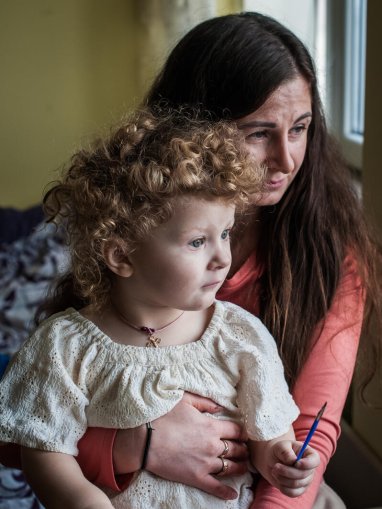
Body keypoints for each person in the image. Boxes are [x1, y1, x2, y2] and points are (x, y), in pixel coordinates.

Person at [0, 10, 380, 509]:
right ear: (191, 134)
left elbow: (306, 432)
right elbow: (28, 435)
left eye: (301, 128)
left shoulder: (325, 261)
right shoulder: (124, 264)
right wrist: (137, 443)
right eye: (259, 133)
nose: (287, 161)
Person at [0, 108, 320, 509]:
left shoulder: (241, 336)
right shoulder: (64, 347)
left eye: (224, 233)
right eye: (197, 242)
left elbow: (265, 437)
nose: (223, 256)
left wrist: (281, 460)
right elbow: (44, 452)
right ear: (122, 255)